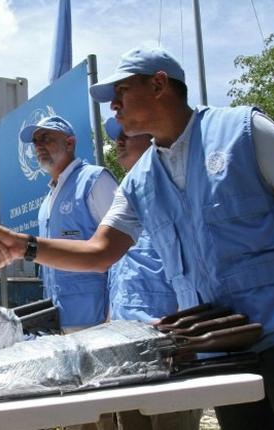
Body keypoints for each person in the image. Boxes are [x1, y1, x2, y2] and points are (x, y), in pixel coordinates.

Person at [0, 47, 274, 430]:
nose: (113, 106)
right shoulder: (140, 180)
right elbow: (99, 252)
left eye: (122, 92)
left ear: (160, 84)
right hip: (223, 348)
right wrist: (27, 246)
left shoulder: (243, 131)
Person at [104, 117, 202, 430]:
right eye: (116, 136)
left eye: (126, 134)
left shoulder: (174, 189)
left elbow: (196, 265)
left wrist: (183, 332)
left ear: (152, 138)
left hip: (167, 345)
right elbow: (119, 275)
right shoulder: (125, 200)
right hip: (125, 348)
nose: (118, 141)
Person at [18, 115, 118, 333]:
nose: (38, 146)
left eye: (46, 137)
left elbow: (124, 250)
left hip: (98, 323)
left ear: (70, 143)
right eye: (35, 142)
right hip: (58, 324)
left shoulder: (94, 180)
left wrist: (114, 317)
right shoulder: (47, 202)